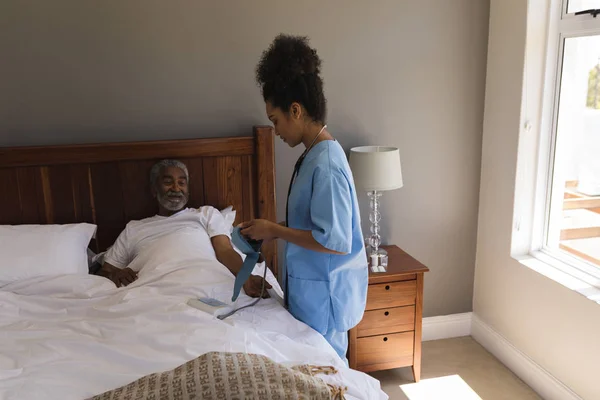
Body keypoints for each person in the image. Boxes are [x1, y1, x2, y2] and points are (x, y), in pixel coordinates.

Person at [239, 34, 368, 362]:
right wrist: (269, 228)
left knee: (326, 378)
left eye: (276, 120)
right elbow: (312, 222)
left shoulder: (325, 164)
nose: (276, 130)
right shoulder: (312, 156)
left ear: (295, 110)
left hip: (324, 301)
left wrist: (276, 231)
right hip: (310, 295)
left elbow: (334, 241)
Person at [98, 159, 270, 298]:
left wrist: (245, 278)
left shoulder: (206, 214)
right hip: (151, 290)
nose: (176, 188)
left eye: (182, 183)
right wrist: (116, 275)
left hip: (206, 283)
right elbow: (105, 272)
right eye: (168, 182)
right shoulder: (134, 228)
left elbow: (225, 251)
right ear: (153, 190)